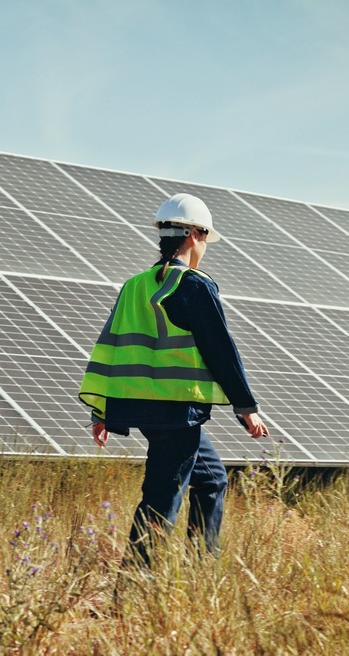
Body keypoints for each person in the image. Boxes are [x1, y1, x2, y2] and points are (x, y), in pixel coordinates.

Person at [79, 193, 269, 566]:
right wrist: (246, 407)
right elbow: (220, 349)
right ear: (195, 234)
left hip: (143, 408)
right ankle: (134, 583)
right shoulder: (193, 284)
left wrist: (100, 410)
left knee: (212, 479)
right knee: (162, 497)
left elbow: (108, 348)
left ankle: (200, 567)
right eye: (205, 238)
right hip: (176, 411)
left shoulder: (135, 285)